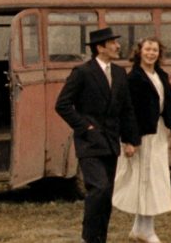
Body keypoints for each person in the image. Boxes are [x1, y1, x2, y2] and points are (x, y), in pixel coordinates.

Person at [55, 28, 140, 243]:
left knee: (106, 193)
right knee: (99, 188)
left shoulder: (119, 73)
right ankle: (88, 237)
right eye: (113, 43)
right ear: (100, 48)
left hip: (111, 143)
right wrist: (85, 127)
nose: (118, 46)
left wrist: (130, 140)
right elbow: (62, 104)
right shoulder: (82, 72)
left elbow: (127, 109)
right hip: (89, 143)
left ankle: (100, 238)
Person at [112, 37, 171, 243]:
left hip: (157, 132)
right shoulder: (133, 78)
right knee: (145, 180)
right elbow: (126, 111)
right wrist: (129, 140)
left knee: (154, 179)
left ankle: (139, 228)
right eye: (148, 49)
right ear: (139, 52)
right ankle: (146, 231)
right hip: (141, 135)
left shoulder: (160, 75)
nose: (151, 53)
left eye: (155, 50)